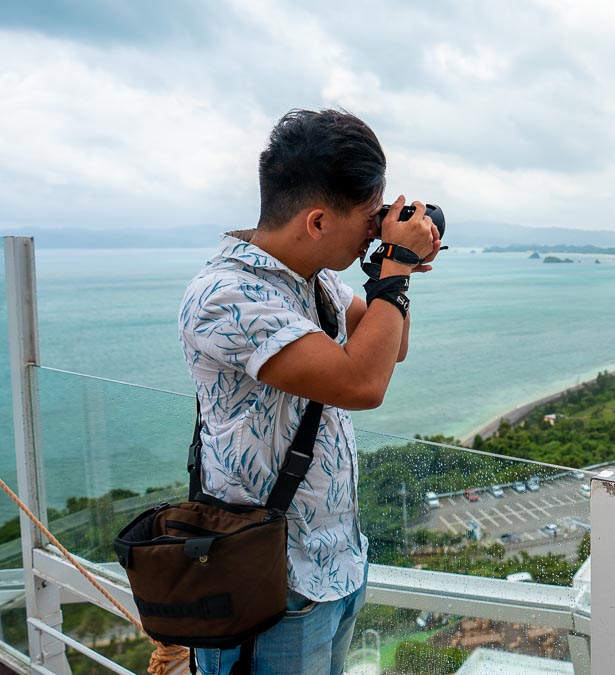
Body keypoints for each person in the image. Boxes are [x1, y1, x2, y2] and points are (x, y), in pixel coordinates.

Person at [178, 109, 440, 674]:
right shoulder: (227, 297)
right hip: (271, 583)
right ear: (318, 221)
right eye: (371, 216)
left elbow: (388, 345)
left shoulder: (315, 279)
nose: (377, 227)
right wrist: (393, 268)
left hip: (336, 563)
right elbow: (362, 384)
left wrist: (393, 271)